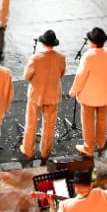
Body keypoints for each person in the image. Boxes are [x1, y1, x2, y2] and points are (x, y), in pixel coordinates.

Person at [70, 27, 107, 159]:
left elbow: (80, 76)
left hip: (88, 96)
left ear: (93, 42)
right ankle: (101, 143)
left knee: (88, 121)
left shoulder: (88, 56)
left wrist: (73, 91)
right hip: (104, 93)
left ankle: (88, 147)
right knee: (102, 119)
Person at [21, 29, 66, 163]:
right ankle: (45, 152)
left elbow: (27, 76)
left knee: (31, 123)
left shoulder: (36, 58)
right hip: (52, 95)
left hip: (36, 95)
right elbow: (62, 73)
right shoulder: (61, 57)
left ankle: (28, 150)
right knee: (49, 125)